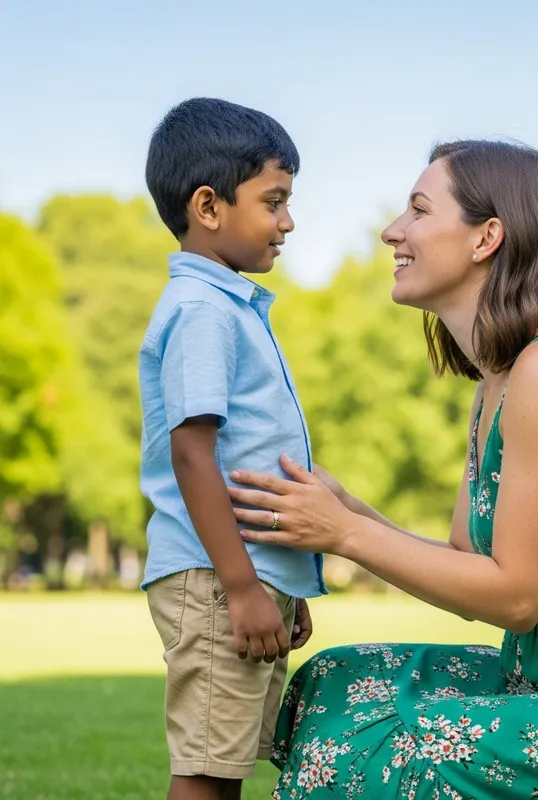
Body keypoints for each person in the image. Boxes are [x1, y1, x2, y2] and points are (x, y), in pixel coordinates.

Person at [227, 139, 538, 799]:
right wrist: (347, 508)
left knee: (392, 741)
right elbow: (468, 561)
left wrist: (343, 533)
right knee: (340, 684)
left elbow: (517, 597)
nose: (392, 231)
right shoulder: (497, 379)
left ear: (486, 237)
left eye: (417, 210)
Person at [138, 97, 326, 800]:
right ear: (209, 207)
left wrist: (283, 581)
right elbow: (193, 454)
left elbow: (249, 451)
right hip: (217, 577)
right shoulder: (201, 312)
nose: (288, 221)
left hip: (243, 575)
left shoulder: (228, 306)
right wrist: (245, 586)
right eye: (273, 201)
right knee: (207, 773)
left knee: (230, 762)